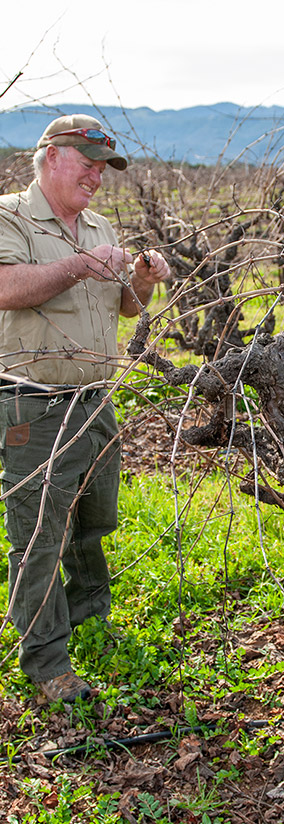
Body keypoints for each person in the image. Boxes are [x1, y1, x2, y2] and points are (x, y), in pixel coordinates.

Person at [0, 114, 171, 702]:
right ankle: (46, 662)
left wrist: (142, 283)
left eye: (104, 168)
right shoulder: (10, 215)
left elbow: (120, 308)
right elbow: (6, 288)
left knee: (94, 519)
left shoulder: (95, 224)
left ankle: (88, 613)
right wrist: (78, 263)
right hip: (34, 403)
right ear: (51, 155)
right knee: (40, 533)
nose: (98, 177)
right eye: (88, 163)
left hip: (93, 400)